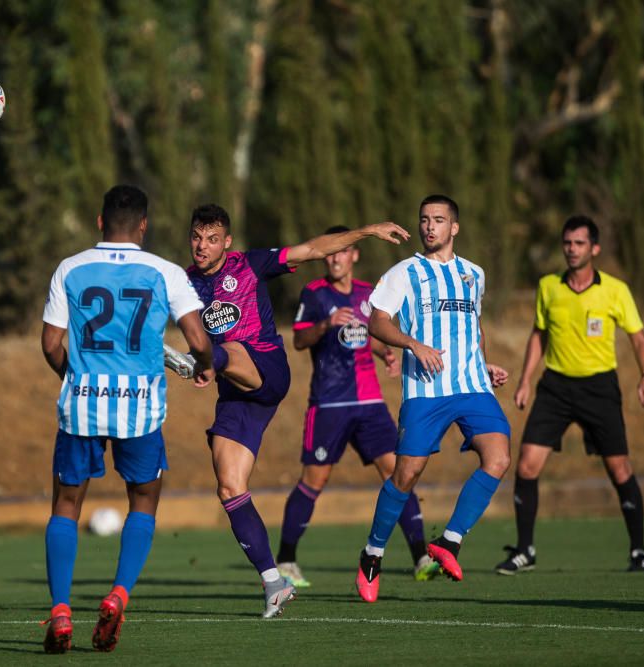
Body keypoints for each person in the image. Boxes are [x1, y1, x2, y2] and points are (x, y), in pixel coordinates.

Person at [185, 204, 409, 617]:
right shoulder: (184, 284)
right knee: (229, 485)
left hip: (265, 366)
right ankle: (274, 582)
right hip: (235, 391)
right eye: (197, 238)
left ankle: (205, 360)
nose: (202, 246)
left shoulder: (250, 264)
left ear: (227, 242)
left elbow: (311, 249)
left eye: (212, 238)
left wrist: (367, 229)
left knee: (225, 350)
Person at [39, 185, 213, 653]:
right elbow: (197, 338)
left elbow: (51, 345)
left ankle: (59, 612)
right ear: (143, 225)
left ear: (99, 222)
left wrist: (76, 377)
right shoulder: (166, 272)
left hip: (81, 406)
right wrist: (206, 364)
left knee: (66, 506)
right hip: (140, 411)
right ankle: (118, 595)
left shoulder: (70, 269)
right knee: (143, 502)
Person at [354, 194, 511, 603]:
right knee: (406, 475)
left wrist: (484, 361)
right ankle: (372, 554)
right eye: (424, 219)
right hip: (426, 390)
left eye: (438, 220)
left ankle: (450, 542)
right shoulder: (404, 272)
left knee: (498, 457)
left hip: (472, 384)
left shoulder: (474, 274)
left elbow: (470, 327)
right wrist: (413, 344)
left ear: (454, 227)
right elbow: (376, 322)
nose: (429, 227)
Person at [275, 225, 440, 588]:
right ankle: (285, 561)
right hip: (330, 403)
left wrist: (387, 355)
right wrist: (325, 324)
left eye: (342, 252)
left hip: (369, 403)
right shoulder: (315, 294)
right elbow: (300, 340)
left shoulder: (369, 294)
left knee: (400, 473)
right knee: (313, 481)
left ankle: (421, 558)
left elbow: (373, 336)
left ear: (354, 255)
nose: (335, 258)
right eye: (331, 252)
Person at [495, 215, 644, 575]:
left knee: (619, 469)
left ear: (594, 248)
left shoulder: (615, 290)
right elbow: (539, 334)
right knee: (525, 465)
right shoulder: (548, 286)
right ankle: (525, 551)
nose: (571, 249)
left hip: (599, 388)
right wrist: (525, 380)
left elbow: (639, 338)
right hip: (555, 387)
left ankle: (639, 551)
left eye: (579, 243)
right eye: (567, 243)